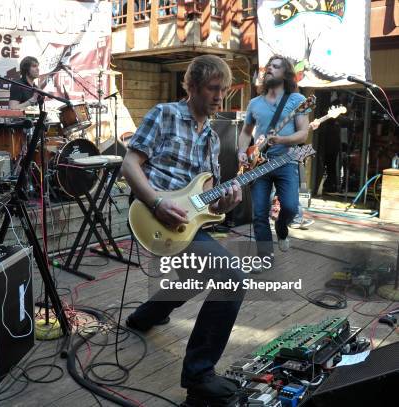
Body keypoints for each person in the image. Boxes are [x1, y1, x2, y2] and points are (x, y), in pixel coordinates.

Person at [122, 55, 245, 406]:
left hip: (188, 225)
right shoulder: (163, 115)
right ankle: (198, 375)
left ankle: (145, 316)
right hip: (153, 215)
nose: (220, 96)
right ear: (190, 87)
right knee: (231, 278)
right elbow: (129, 164)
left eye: (223, 89)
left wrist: (226, 204)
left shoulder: (212, 137)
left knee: (197, 274)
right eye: (212, 88)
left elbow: (210, 202)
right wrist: (158, 203)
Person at [238, 55, 309, 267]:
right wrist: (242, 151)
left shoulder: (296, 100)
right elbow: (245, 132)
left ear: (286, 74)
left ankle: (281, 228)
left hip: (286, 161)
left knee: (290, 207)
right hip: (259, 164)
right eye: (269, 66)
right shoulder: (254, 103)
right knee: (259, 213)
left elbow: (303, 134)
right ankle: (264, 257)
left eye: (275, 66)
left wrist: (282, 139)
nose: (269, 69)